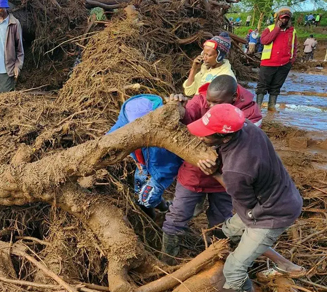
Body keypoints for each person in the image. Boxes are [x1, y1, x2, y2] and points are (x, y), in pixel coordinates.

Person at [188, 104, 305, 291]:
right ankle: (287, 266)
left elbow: (243, 199)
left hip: (271, 214)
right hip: (282, 193)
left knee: (234, 269)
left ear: (224, 137)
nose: (201, 136)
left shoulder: (237, 169)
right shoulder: (247, 126)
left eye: (206, 133)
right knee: (225, 233)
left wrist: (214, 173)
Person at [162, 75, 263, 263]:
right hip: (194, 171)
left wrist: (217, 159)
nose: (209, 106)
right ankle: (167, 260)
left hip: (226, 177)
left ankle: (213, 260)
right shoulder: (200, 100)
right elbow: (183, 122)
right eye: (208, 101)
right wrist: (177, 108)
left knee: (221, 221)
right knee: (177, 216)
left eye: (216, 103)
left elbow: (248, 148)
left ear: (233, 98)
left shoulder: (250, 112)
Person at [108, 95, 182, 217]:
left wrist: (160, 177)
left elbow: (173, 160)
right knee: (138, 189)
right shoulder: (126, 119)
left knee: (146, 199)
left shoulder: (164, 129)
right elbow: (112, 135)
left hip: (161, 171)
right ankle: (159, 205)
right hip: (142, 165)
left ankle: (162, 210)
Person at [257, 6, 297, 111]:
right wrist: (276, 29)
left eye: (287, 18)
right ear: (278, 18)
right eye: (283, 18)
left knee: (276, 87)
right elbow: (265, 41)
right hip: (268, 62)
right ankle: (257, 107)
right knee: (262, 86)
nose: (285, 20)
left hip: (284, 64)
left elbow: (295, 46)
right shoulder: (269, 29)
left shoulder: (292, 31)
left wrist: (291, 60)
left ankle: (271, 106)